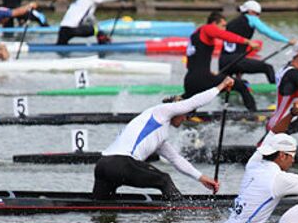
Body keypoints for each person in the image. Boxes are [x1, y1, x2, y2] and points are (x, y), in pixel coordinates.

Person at [92, 77, 235, 201]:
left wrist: (201, 178)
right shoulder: (161, 111)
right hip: (120, 164)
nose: (186, 118)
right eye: (187, 114)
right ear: (179, 109)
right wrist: (221, 86)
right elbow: (193, 102)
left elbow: (176, 160)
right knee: (164, 180)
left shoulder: (159, 134)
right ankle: (180, 213)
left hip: (102, 166)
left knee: (101, 209)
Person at [183, 12, 261, 112]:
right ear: (214, 23)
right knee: (241, 85)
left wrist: (208, 71)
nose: (225, 29)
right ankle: (254, 114)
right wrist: (248, 42)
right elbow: (223, 35)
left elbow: (192, 60)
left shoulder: (196, 34)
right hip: (203, 79)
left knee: (188, 112)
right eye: (223, 26)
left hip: (190, 80)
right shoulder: (207, 28)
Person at [218, 0, 296, 84]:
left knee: (236, 82)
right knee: (267, 68)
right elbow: (268, 32)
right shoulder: (251, 18)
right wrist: (287, 40)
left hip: (223, 62)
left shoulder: (232, 23)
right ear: (251, 12)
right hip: (236, 60)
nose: (258, 17)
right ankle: (277, 88)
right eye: (258, 14)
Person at [57, 0, 131, 45]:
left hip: (63, 29)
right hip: (73, 29)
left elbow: (90, 18)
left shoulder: (82, 1)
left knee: (60, 47)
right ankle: (104, 47)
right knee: (98, 31)